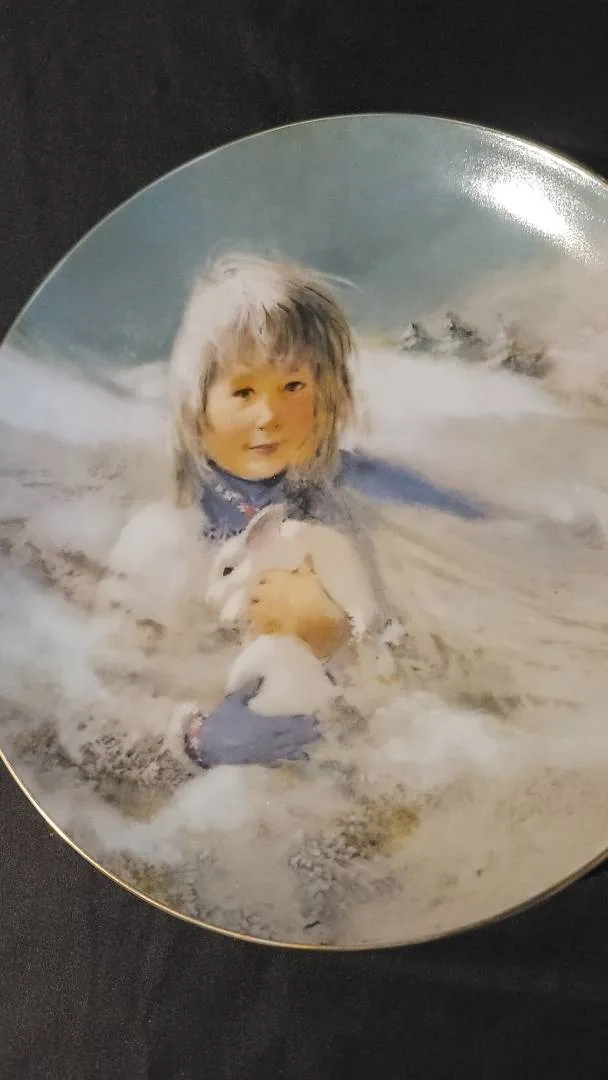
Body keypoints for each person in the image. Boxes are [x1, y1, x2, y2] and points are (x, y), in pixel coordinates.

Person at [168, 252, 486, 768]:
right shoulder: (175, 530)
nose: (269, 415)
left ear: (327, 393)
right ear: (199, 406)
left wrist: (339, 634)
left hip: (368, 728)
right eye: (243, 391)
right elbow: (126, 676)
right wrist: (199, 739)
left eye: (293, 386)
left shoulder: (367, 489)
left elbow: (479, 549)